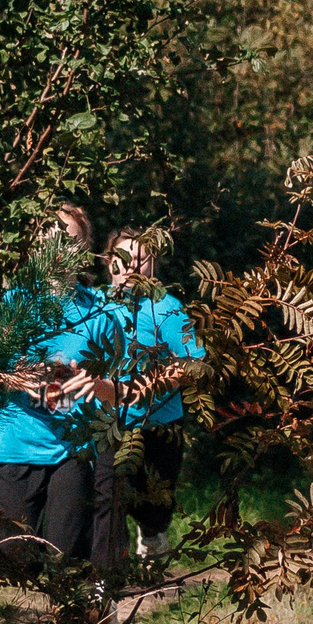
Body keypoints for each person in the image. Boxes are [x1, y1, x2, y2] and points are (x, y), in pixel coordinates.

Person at [0, 204, 118, 570]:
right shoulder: (14, 304)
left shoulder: (100, 312)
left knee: (64, 557)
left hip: (71, 447)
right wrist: (18, 378)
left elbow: (124, 389)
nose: (60, 251)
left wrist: (96, 384)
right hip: (14, 442)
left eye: (70, 241)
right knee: (16, 561)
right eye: (51, 242)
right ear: (36, 249)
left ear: (84, 248)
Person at [105, 230, 206, 560]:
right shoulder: (96, 305)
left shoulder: (167, 307)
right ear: (109, 264)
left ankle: (152, 537)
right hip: (109, 423)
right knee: (111, 495)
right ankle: (111, 564)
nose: (132, 264)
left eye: (142, 258)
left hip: (160, 423)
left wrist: (145, 388)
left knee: (155, 504)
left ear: (154, 266)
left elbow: (194, 362)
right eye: (124, 257)